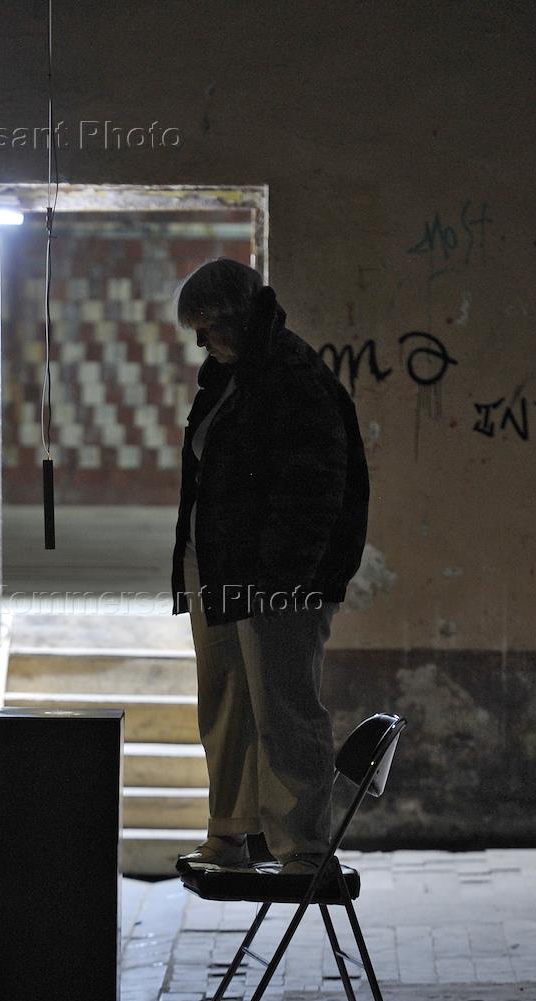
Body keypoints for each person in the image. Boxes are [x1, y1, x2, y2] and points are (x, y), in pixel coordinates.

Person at [170, 258, 369, 877]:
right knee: (227, 703)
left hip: (274, 577)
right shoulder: (231, 375)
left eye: (204, 328)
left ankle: (302, 847)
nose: (200, 343)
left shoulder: (290, 375)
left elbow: (315, 490)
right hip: (223, 566)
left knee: (283, 706)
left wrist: (283, 582)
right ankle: (229, 833)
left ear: (231, 316)